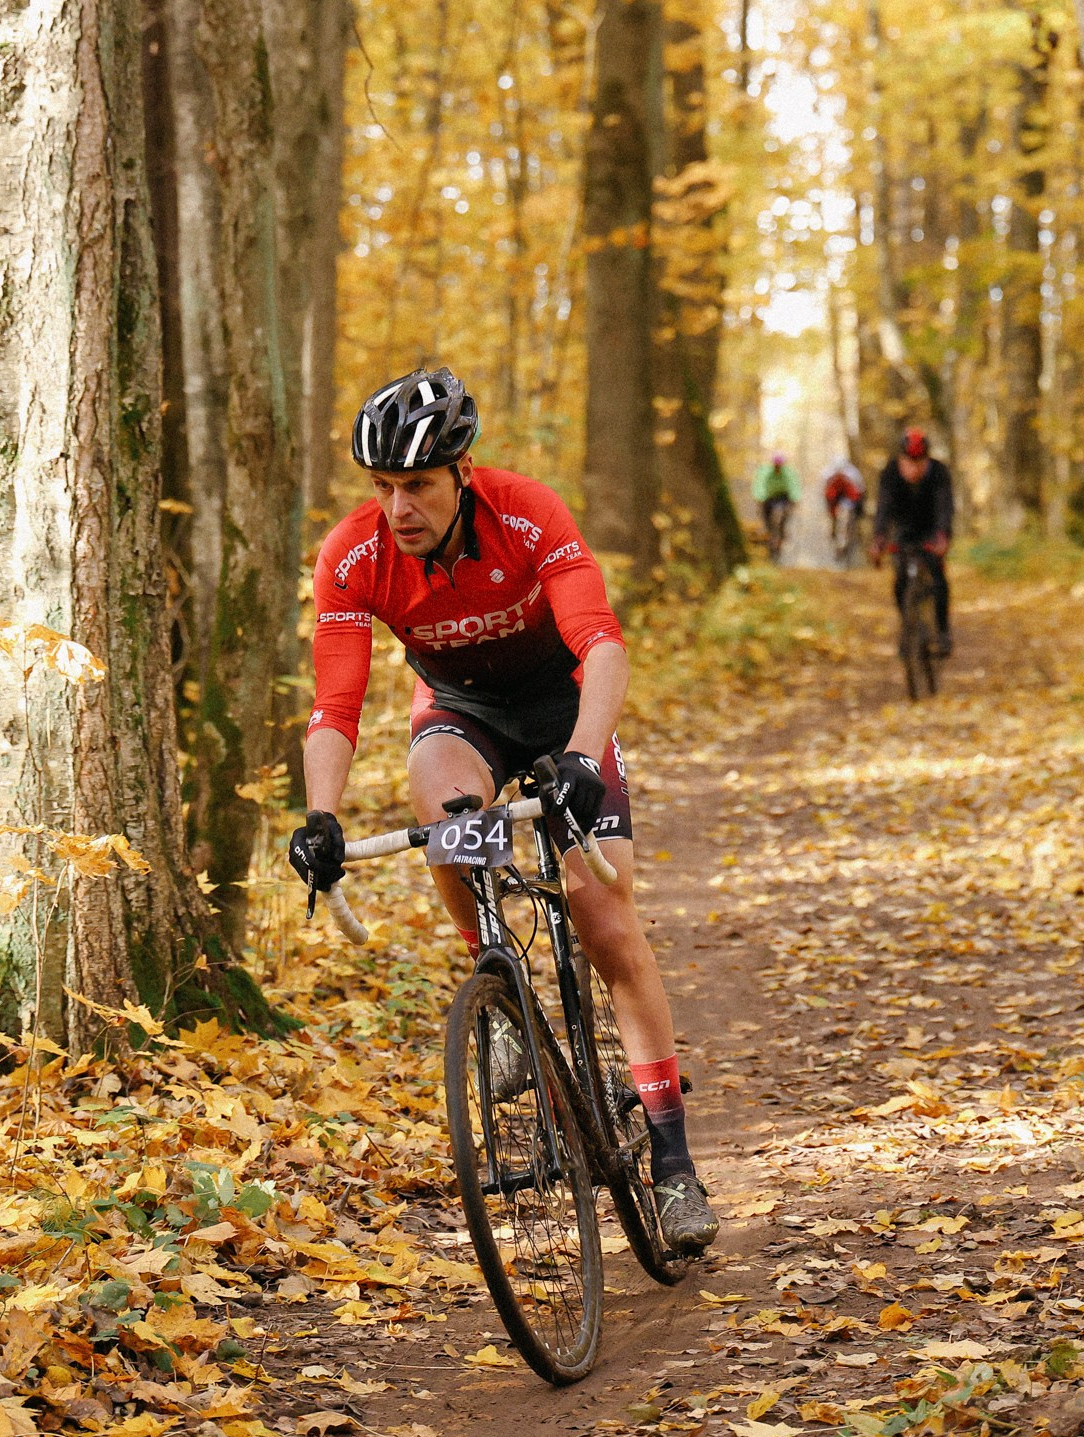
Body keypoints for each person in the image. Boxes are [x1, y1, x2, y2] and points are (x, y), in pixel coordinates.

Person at [284, 367, 720, 1256]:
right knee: (448, 818)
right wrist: (320, 816)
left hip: (562, 707)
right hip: (462, 713)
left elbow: (601, 644)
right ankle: (505, 1000)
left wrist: (584, 759)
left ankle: (674, 1163)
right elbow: (336, 706)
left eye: (415, 487)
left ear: (463, 473)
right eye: (381, 487)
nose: (396, 507)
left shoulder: (528, 513)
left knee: (605, 918)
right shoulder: (354, 553)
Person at [873, 427, 955, 655]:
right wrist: (879, 538)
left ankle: (942, 630)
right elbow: (883, 507)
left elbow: (945, 506)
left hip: (932, 530)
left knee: (937, 578)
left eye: (919, 462)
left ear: (927, 459)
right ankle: (908, 626)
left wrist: (943, 535)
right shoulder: (890, 473)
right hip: (904, 530)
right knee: (900, 579)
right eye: (909, 462)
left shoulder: (939, 472)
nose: (914, 468)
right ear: (901, 459)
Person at [752, 452, 800, 557]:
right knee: (767, 519)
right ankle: (769, 537)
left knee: (783, 516)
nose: (778, 467)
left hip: (783, 498)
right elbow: (760, 485)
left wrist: (795, 498)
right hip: (769, 498)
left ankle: (781, 536)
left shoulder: (788, 473)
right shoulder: (766, 472)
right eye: (776, 465)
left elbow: (794, 486)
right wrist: (759, 497)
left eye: (780, 465)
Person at [822, 458, 866, 565]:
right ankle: (837, 540)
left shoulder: (852, 477)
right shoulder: (829, 477)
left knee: (845, 520)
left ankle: (843, 545)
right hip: (835, 502)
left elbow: (856, 495)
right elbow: (829, 496)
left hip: (848, 502)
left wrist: (856, 508)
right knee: (837, 521)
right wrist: (832, 509)